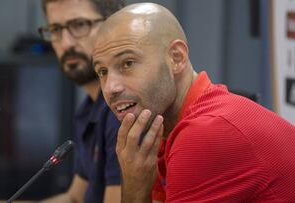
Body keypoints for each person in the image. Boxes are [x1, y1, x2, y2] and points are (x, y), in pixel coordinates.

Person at [92, 3, 295, 202]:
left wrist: (134, 189)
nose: (110, 87)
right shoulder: (165, 126)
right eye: (102, 71)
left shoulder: (205, 133)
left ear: (176, 58)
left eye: (128, 63)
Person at [38, 0, 124, 203]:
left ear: (114, 25)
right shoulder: (87, 110)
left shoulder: (121, 109)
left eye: (79, 25)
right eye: (56, 29)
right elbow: (74, 198)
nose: (66, 43)